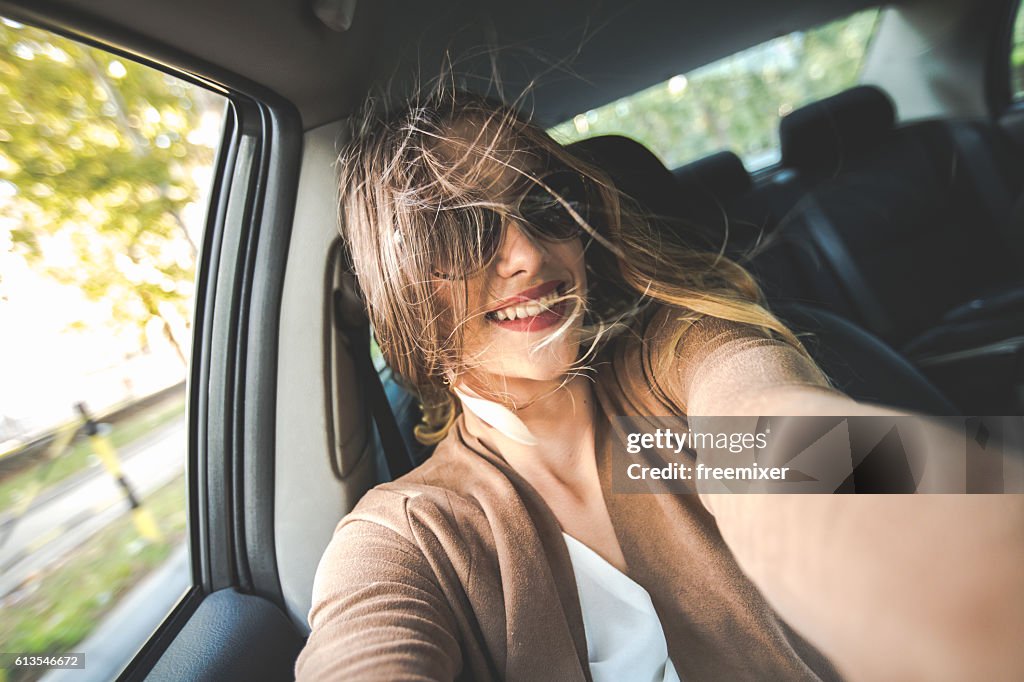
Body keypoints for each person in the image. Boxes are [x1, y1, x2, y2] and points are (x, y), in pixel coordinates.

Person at [295, 90, 1023, 681]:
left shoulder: (684, 360)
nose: (526, 253)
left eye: (545, 206)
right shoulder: (406, 536)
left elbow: (789, 443)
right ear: (400, 286)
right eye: (464, 229)